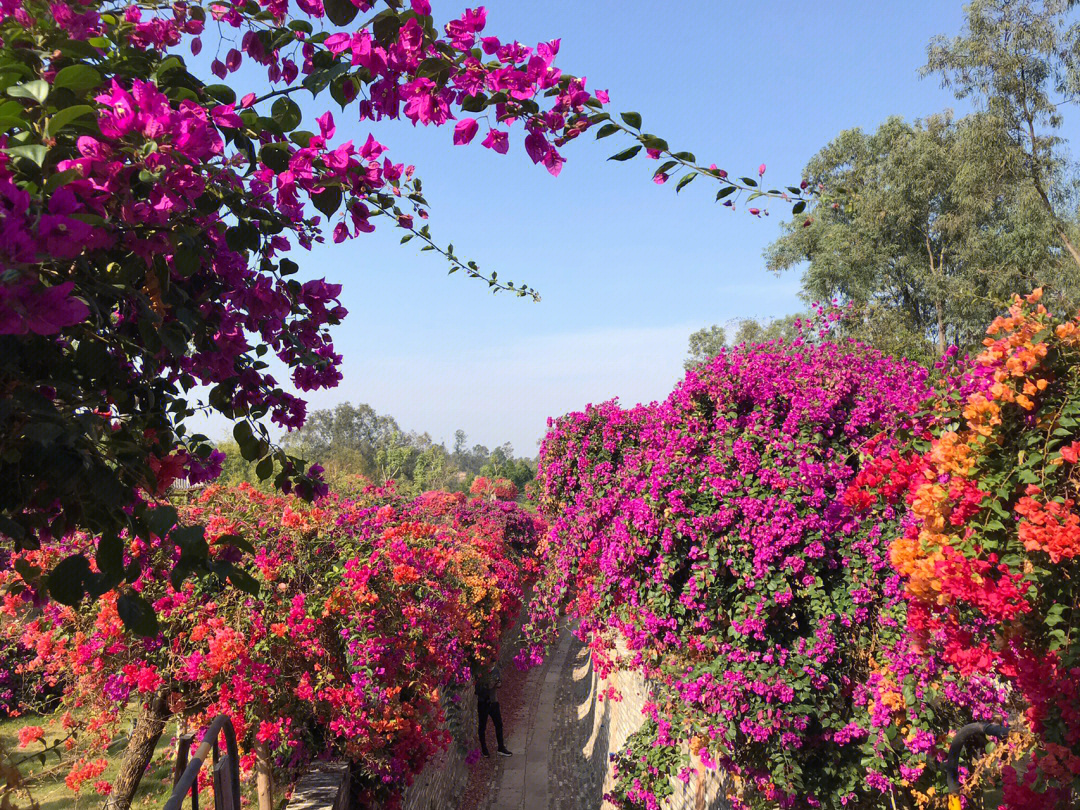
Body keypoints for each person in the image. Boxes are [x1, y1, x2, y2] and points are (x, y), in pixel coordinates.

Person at [475, 660, 511, 758]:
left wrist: (498, 684)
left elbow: (499, 682)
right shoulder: (481, 673)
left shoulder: (495, 671)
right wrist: (487, 687)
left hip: (494, 702)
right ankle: (484, 749)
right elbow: (477, 690)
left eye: (493, 664)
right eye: (491, 664)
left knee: (499, 724)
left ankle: (501, 747)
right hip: (483, 703)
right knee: (482, 727)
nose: (492, 666)